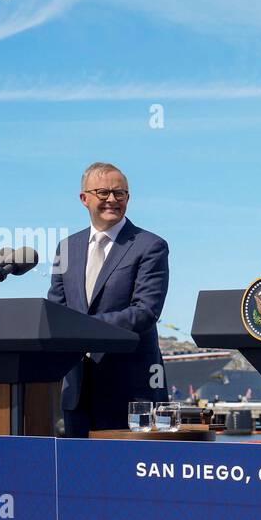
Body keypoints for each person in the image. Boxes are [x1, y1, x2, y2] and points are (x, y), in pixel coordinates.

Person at [48, 162, 169, 438]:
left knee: (127, 476)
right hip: (77, 389)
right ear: (84, 198)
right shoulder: (66, 248)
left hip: (131, 390)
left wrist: (82, 328)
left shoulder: (150, 246)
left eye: (120, 193)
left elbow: (145, 312)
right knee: (77, 473)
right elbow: (56, 309)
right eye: (103, 193)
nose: (112, 200)